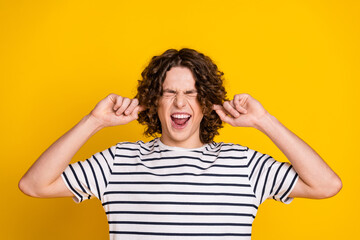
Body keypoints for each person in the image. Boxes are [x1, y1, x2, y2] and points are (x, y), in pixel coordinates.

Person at [19, 48, 342, 239]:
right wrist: (95, 121)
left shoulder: (243, 164)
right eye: (169, 92)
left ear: (206, 102)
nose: (179, 103)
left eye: (190, 93)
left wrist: (263, 121)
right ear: (154, 101)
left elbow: (326, 184)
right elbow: (34, 184)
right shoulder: (119, 160)